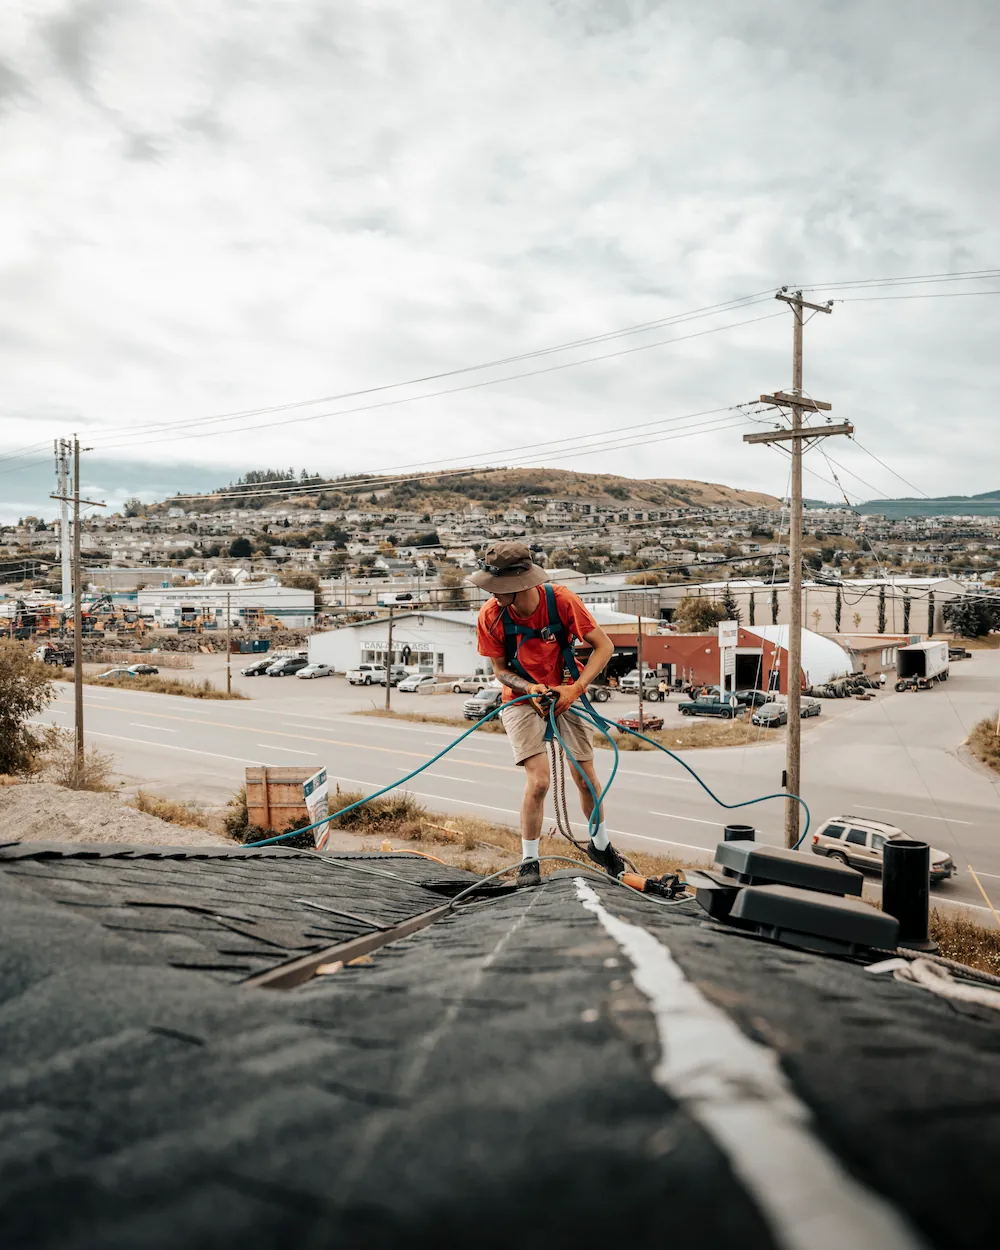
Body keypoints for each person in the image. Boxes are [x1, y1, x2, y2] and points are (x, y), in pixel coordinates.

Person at [470, 542, 625, 888]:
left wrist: (576, 688)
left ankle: (600, 847)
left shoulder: (562, 601)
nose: (493, 596)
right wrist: (529, 689)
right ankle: (529, 860)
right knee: (539, 782)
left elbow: (605, 647)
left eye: (499, 589)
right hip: (521, 698)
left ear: (522, 583)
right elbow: (499, 670)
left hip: (566, 692)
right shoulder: (490, 616)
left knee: (586, 779)